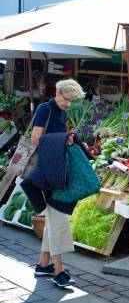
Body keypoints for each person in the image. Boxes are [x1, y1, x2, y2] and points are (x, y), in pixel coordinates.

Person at [22, 79, 85, 288]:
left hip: (57, 171)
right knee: (59, 222)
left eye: (71, 101)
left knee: (53, 220)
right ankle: (58, 271)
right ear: (58, 93)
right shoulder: (44, 109)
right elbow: (35, 138)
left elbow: (57, 137)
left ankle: (42, 265)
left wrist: (67, 139)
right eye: (66, 99)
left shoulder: (62, 112)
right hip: (48, 173)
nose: (68, 104)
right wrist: (61, 140)